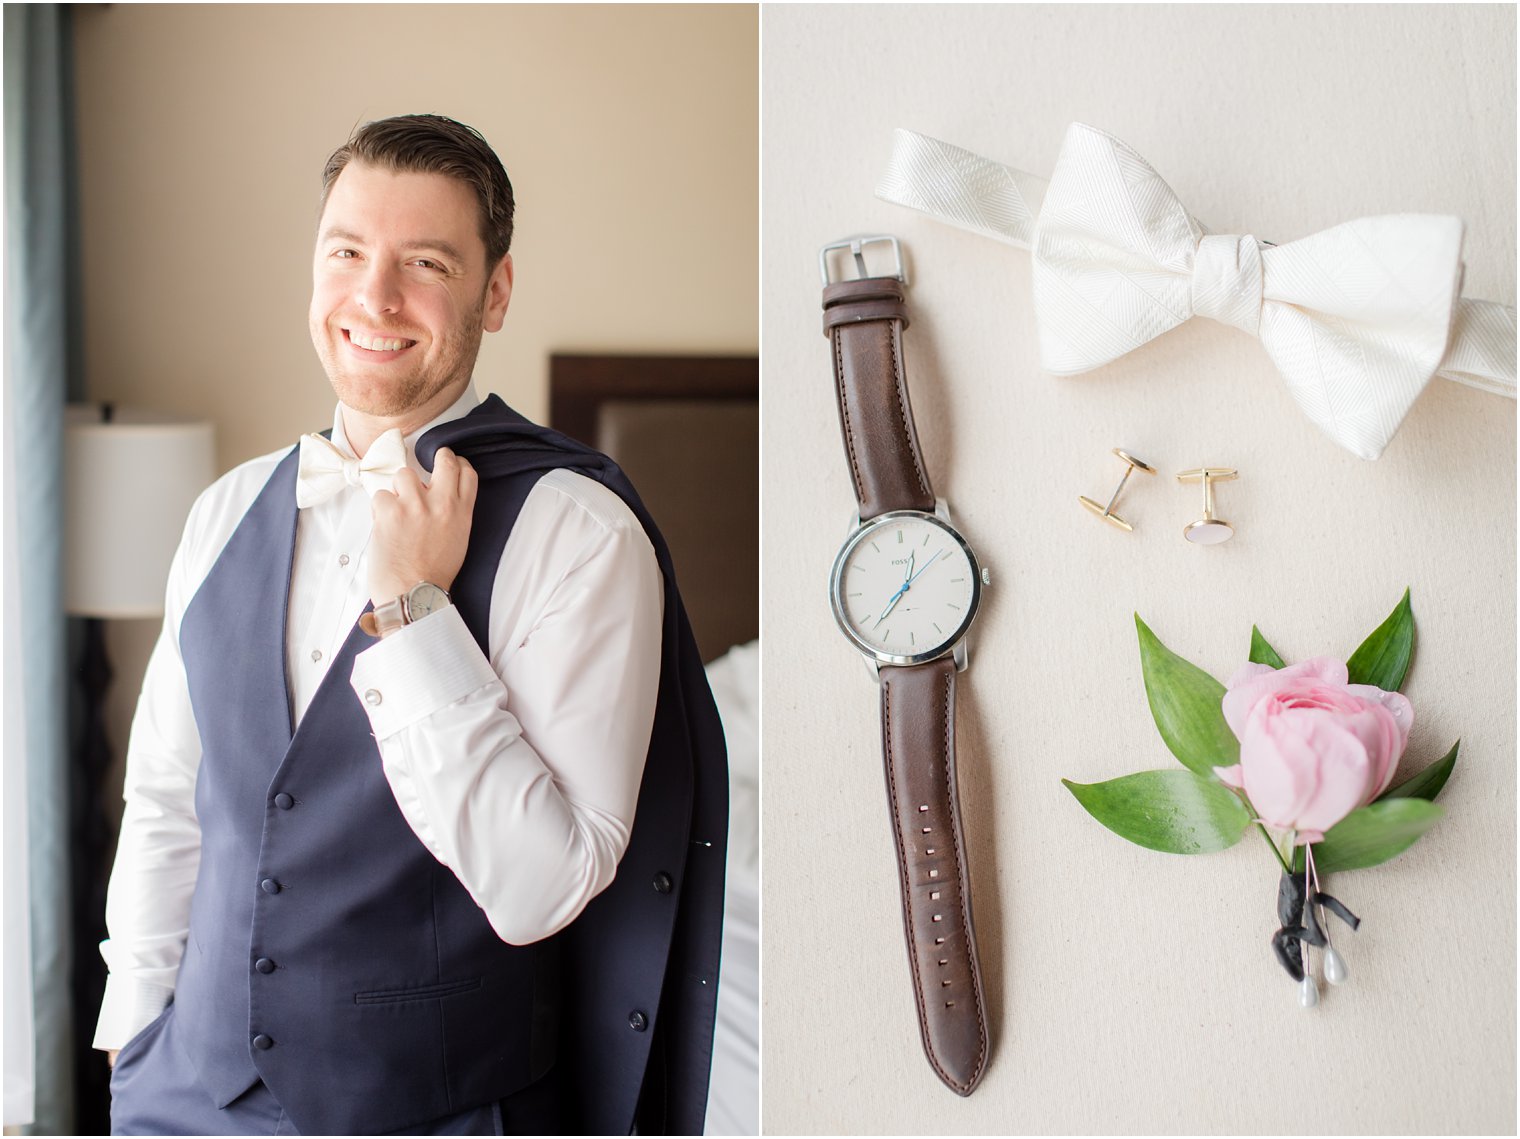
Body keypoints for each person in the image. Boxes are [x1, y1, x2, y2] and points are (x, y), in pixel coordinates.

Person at [94, 113, 728, 1136]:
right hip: (182, 1096)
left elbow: (543, 883)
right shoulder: (225, 511)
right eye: (346, 251)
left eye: (424, 262)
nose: (373, 297)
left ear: (496, 289)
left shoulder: (578, 532)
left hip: (437, 1109)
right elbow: (172, 796)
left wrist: (411, 612)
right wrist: (133, 1036)